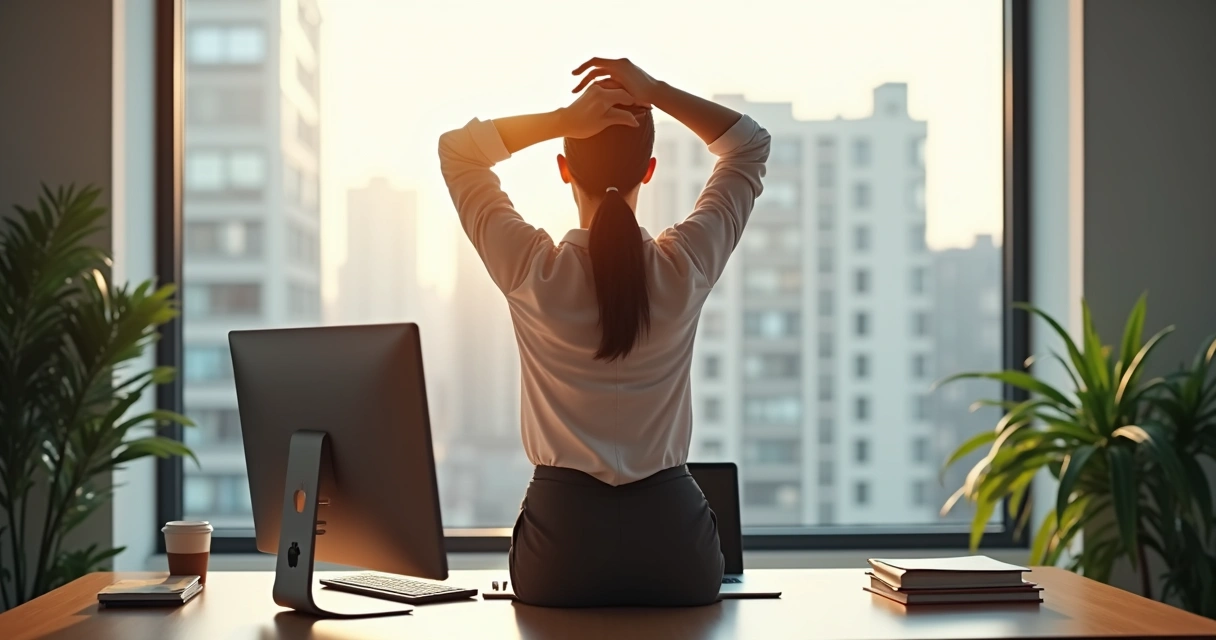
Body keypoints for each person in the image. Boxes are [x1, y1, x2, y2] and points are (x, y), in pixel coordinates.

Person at [439, 57, 770, 607]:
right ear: (650, 170)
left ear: (564, 168)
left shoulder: (530, 268)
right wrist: (655, 91)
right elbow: (748, 145)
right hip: (677, 553)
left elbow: (458, 151)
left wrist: (565, 117)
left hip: (559, 554)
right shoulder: (684, 265)